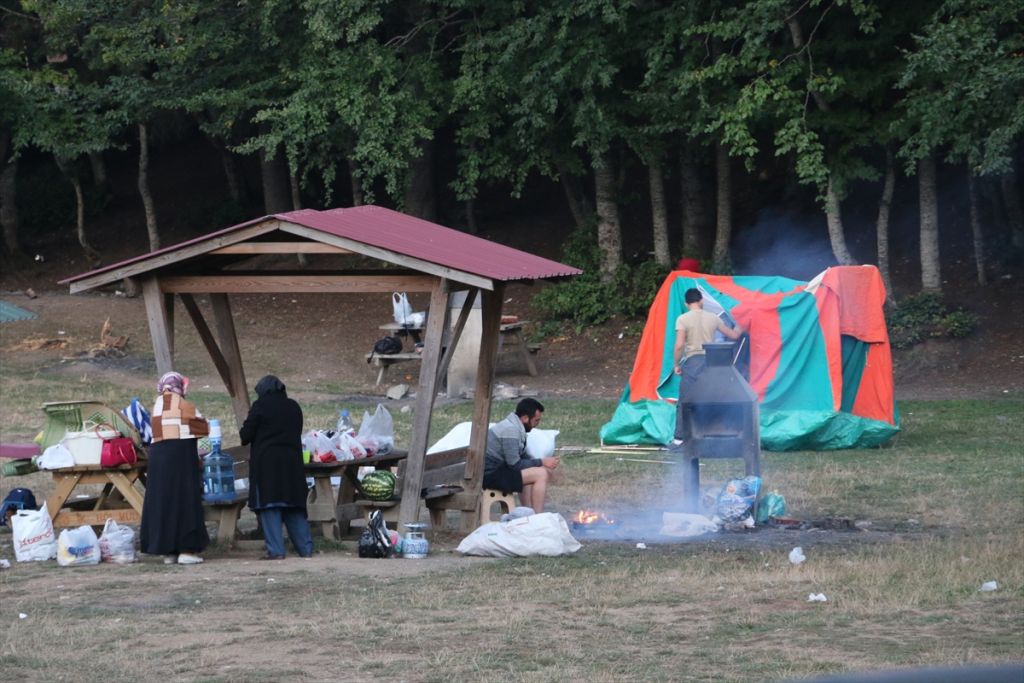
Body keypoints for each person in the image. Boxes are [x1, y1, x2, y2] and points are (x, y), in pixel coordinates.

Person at [239, 375, 313, 560]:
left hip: (267, 466)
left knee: (269, 506)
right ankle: (305, 549)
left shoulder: (260, 407)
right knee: (293, 506)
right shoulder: (293, 407)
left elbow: (245, 436)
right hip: (292, 465)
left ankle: (276, 551)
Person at [140, 371, 210, 565]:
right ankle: (187, 550)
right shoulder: (183, 404)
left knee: (164, 502)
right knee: (185, 500)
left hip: (159, 459)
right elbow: (204, 428)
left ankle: (168, 551)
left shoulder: (157, 406)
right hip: (181, 458)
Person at [672, 288, 745, 444]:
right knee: (712, 398)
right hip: (712, 363)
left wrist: (677, 365)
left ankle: (679, 440)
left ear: (686, 303)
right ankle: (714, 434)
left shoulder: (682, 319)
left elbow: (679, 345)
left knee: (685, 401)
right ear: (702, 301)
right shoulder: (712, 318)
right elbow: (734, 335)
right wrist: (743, 322)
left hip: (692, 362)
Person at [483, 398, 559, 513]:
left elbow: (522, 456)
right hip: (490, 475)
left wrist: (541, 464)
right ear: (525, 418)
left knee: (535, 470)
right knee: (541, 474)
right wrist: (542, 462)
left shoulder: (515, 426)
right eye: (536, 421)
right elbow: (515, 464)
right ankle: (538, 517)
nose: (536, 425)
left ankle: (528, 513)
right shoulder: (511, 430)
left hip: (498, 470)